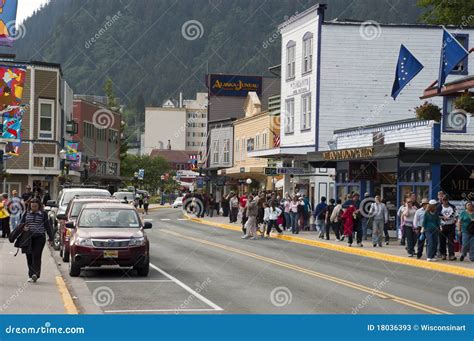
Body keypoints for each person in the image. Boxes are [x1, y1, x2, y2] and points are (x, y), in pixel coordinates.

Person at [19, 198, 53, 282]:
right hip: (28, 238)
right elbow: (21, 224)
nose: (33, 208)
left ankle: (36, 274)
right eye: (32, 206)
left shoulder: (43, 214)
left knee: (36, 255)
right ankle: (30, 274)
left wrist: (51, 237)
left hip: (39, 237)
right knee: (29, 256)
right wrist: (24, 227)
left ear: (39, 206)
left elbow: (47, 226)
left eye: (35, 206)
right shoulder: (26, 213)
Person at [439, 196, 457, 261]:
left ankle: (451, 255)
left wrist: (453, 220)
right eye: (443, 200)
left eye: (446, 200)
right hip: (442, 226)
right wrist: (443, 217)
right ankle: (443, 254)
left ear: (448, 200)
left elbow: (455, 215)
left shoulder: (452, 207)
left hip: (451, 226)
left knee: (450, 241)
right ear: (442, 200)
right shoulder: (439, 207)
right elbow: (436, 215)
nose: (445, 201)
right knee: (442, 241)